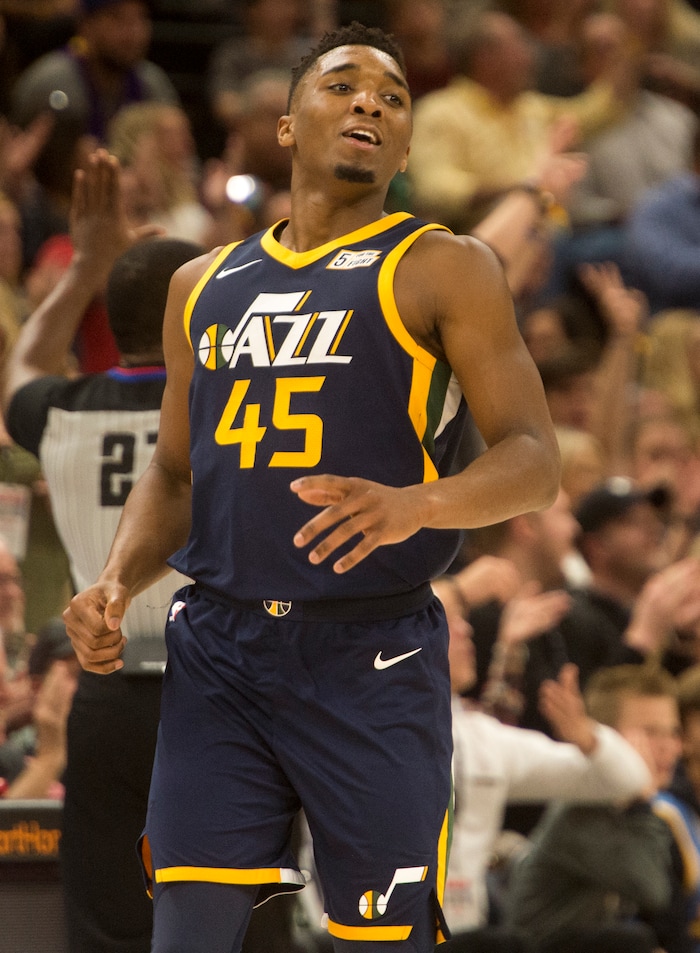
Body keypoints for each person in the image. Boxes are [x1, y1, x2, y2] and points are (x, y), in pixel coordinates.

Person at [62, 21, 561, 953]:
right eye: (342, 84)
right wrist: (117, 578)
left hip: (371, 652)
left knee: (381, 941)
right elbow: (175, 470)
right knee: (187, 933)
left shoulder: (444, 266)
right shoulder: (199, 283)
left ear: (405, 144)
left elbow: (535, 458)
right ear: (287, 125)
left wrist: (419, 501)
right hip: (220, 649)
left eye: (394, 95)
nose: (370, 99)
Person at [2, 150, 202, 953]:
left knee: (108, 922)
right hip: (214, 685)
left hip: (106, 689)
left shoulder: (62, 409)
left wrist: (86, 266)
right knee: (237, 909)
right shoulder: (232, 415)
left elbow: (21, 364)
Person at [505, 662, 684, 953]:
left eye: (673, 732)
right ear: (609, 739)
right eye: (650, 732)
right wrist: (642, 804)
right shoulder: (580, 812)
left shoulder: (649, 809)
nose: (670, 747)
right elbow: (652, 890)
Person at [9, 0, 179, 146]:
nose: (132, 32)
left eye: (141, 18)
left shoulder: (152, 83)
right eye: (117, 18)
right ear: (85, 25)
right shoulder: (52, 84)